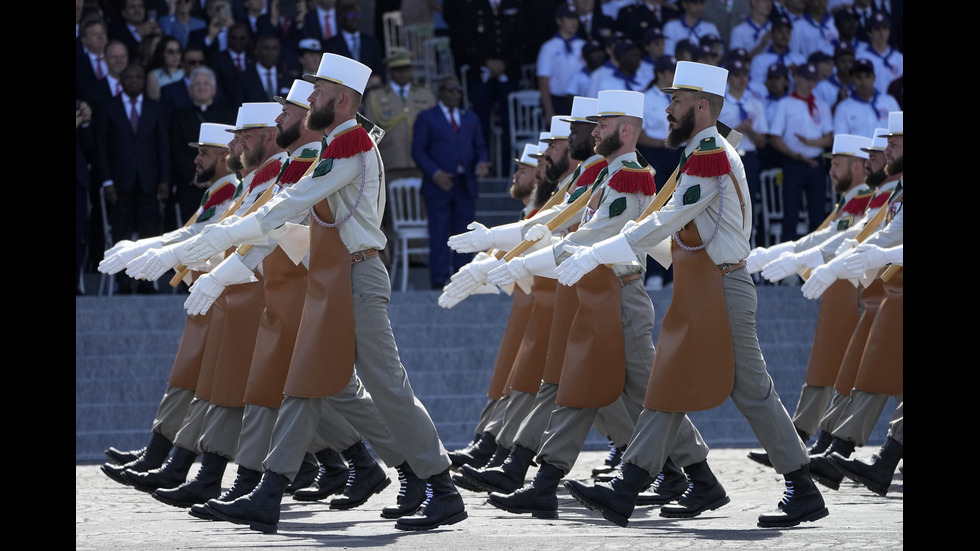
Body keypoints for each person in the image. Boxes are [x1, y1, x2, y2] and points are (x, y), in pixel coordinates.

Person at [171, 53, 468, 533]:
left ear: (343, 99)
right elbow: (290, 211)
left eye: (317, 90)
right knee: (303, 385)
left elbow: (293, 202)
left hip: (356, 276)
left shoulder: (350, 144)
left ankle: (440, 485)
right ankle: (268, 493)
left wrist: (222, 238)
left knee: (389, 388)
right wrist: (224, 246)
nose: (308, 98)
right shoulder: (336, 144)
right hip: (335, 278)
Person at [555, 61, 828, 529]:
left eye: (677, 101)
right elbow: (676, 236)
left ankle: (801, 486)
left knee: (750, 393)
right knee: (668, 385)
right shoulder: (701, 151)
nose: (668, 108)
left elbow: (671, 219)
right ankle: (630, 488)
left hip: (720, 287)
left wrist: (606, 249)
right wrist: (606, 251)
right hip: (707, 286)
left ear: (702, 106)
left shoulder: (709, 152)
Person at [480, 89, 659, 520]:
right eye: (590, 126)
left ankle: (693, 473)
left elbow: (591, 236)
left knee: (655, 398)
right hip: (595, 293)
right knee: (577, 390)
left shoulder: (631, 176)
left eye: (599, 125)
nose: (593, 133)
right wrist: (495, 241)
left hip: (619, 293)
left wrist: (523, 256)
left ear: (627, 130)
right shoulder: (605, 175)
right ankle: (540, 481)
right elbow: (560, 219)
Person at [97, 121, 239, 482]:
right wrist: (143, 246)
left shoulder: (230, 191)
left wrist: (148, 247)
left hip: (223, 294)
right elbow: (188, 233)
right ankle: (161, 455)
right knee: (191, 380)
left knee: (248, 391)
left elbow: (198, 236)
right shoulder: (218, 193)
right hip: (209, 295)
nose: (196, 159)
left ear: (225, 157)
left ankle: (169, 461)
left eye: (204, 152)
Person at [743, 132, 876, 466]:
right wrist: (782, 252)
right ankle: (811, 439)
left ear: (859, 167)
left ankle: (826, 442)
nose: (830, 171)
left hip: (853, 289)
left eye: (838, 164)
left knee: (849, 371)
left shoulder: (865, 199)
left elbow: (838, 239)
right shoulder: (852, 201)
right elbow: (821, 237)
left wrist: (792, 256)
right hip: (841, 289)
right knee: (830, 367)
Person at [96, 61, 171, 294]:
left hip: (148, 180)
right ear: (122, 81)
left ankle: (146, 281)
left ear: (143, 81)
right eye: (129, 78)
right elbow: (102, 148)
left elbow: (163, 146)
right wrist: (107, 181)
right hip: (120, 182)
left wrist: (165, 180)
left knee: (149, 233)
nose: (134, 82)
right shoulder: (109, 107)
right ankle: (123, 281)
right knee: (122, 232)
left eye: (138, 78)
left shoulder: (155, 108)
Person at [412, 75, 491, 289]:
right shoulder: (427, 117)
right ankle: (438, 280)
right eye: (450, 90)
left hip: (465, 183)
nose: (455, 94)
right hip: (438, 184)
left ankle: (463, 278)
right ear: (440, 92)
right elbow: (418, 150)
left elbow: (480, 147)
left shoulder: (470, 118)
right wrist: (435, 173)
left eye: (458, 91)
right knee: (439, 233)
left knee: (464, 234)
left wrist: (482, 163)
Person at [767, 62, 833, 244]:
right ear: (796, 78)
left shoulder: (821, 104)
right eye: (805, 78)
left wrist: (810, 142)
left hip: (815, 162)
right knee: (791, 215)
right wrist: (796, 155)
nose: (809, 83)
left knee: (817, 215)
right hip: (793, 162)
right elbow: (774, 138)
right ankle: (787, 264)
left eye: (813, 80)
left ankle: (814, 261)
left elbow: (829, 138)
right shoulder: (785, 104)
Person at [537, 3, 586, 121]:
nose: (574, 22)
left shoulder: (584, 46)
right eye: (569, 18)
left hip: (581, 100)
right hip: (558, 101)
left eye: (575, 18)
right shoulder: (549, 47)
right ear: (559, 21)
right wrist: (549, 111)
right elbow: (543, 81)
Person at [832, 58, 898, 139]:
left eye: (867, 76)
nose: (863, 82)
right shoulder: (843, 108)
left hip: (888, 151)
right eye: (858, 77)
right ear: (852, 79)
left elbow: (899, 132)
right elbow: (840, 140)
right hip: (857, 151)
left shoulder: (889, 101)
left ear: (874, 78)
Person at [145, 35, 185, 101]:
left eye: (178, 51)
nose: (175, 55)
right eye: (170, 52)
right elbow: (155, 101)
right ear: (162, 53)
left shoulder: (186, 72)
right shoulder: (153, 75)